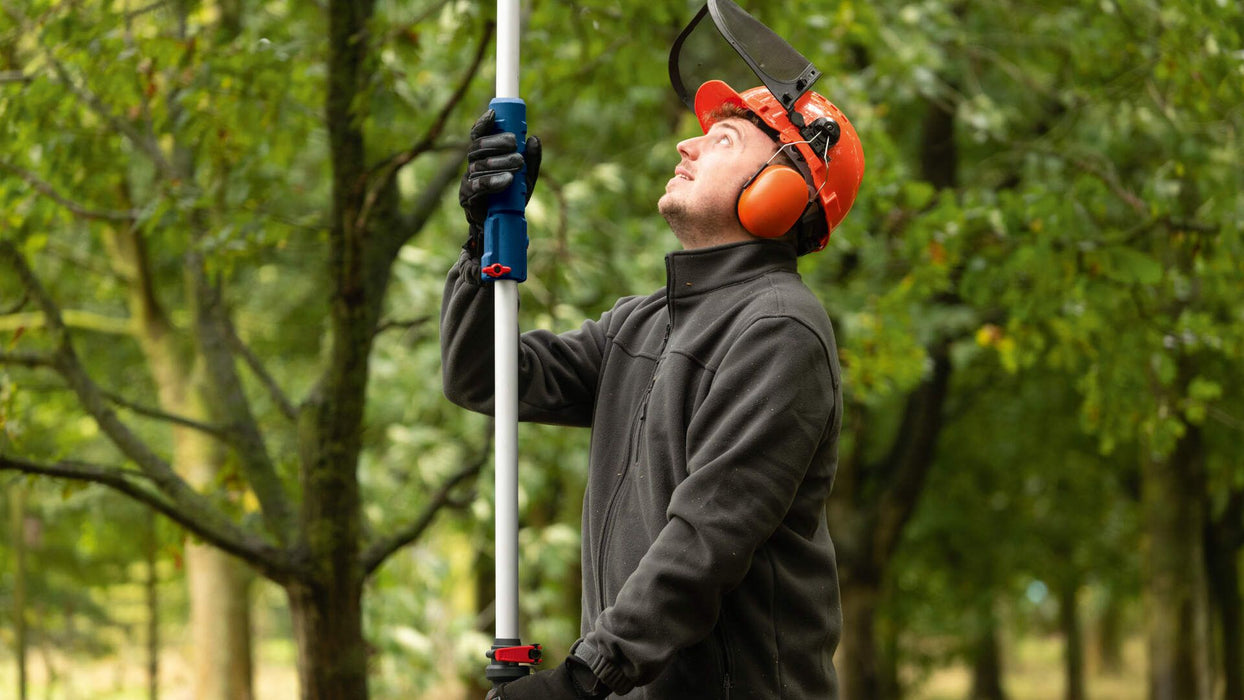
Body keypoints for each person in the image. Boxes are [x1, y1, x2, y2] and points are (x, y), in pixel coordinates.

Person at [444, 78, 863, 699]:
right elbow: (486, 378)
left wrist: (583, 679)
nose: (687, 147)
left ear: (778, 192)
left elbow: (708, 538)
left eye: (722, 139)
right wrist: (483, 244)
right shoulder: (643, 323)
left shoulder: (779, 329)